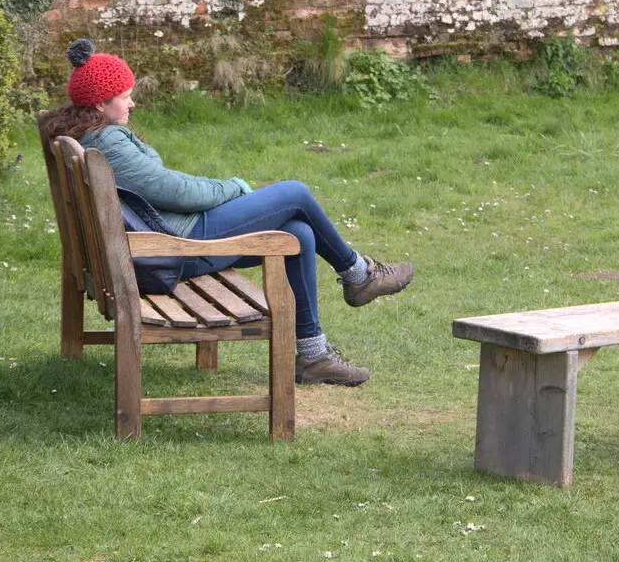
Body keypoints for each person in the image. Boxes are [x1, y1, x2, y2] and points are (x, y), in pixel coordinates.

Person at [40, 39, 413, 386]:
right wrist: (232, 188)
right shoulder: (108, 144)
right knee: (296, 194)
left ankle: (313, 356)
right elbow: (176, 191)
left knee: (299, 235)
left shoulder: (90, 135)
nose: (132, 104)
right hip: (176, 248)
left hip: (162, 242)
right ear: (101, 104)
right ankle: (357, 274)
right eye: (125, 97)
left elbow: (162, 184)